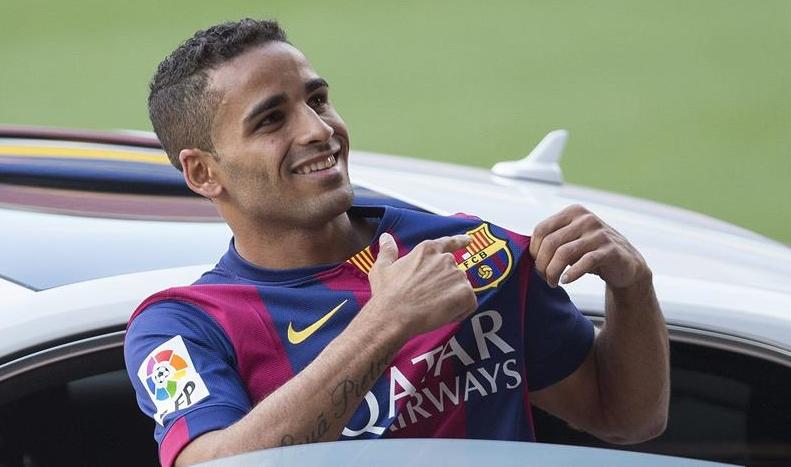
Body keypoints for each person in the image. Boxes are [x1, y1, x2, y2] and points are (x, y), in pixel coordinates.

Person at [124, 18, 669, 467]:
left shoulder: (468, 250)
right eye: (271, 120)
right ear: (203, 172)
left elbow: (626, 417)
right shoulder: (178, 328)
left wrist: (633, 287)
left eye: (318, 99)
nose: (318, 130)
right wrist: (387, 323)